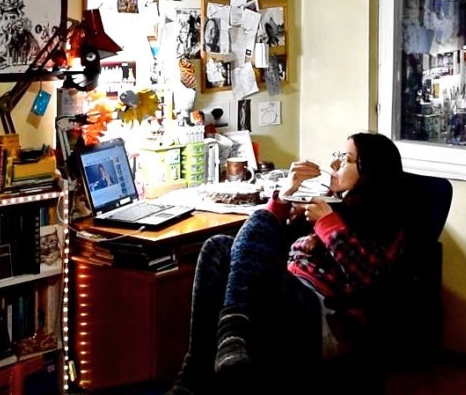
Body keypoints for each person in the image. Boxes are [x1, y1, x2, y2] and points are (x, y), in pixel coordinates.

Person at [167, 132, 408, 394]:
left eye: (347, 159)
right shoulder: (335, 206)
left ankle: (222, 344)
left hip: (323, 313)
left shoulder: (385, 221)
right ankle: (205, 360)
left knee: (245, 247)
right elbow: (255, 244)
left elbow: (370, 276)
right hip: (289, 293)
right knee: (217, 247)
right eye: (338, 156)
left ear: (370, 172)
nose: (335, 165)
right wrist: (285, 194)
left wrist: (327, 224)